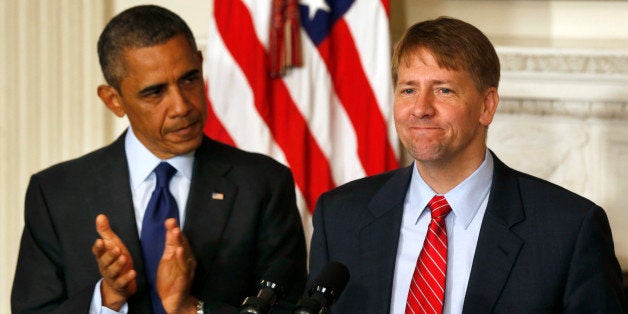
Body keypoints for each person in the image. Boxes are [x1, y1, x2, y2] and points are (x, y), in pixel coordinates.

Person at [308, 17, 627, 313]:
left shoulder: (568, 229)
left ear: (486, 106)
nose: (420, 109)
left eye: (443, 90)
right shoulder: (339, 217)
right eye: (408, 90)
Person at [11, 5, 307, 314]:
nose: (181, 106)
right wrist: (107, 298)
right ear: (113, 100)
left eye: (190, 79)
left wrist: (192, 309)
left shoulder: (262, 184)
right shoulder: (56, 193)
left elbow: (288, 308)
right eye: (155, 92)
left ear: (201, 64)